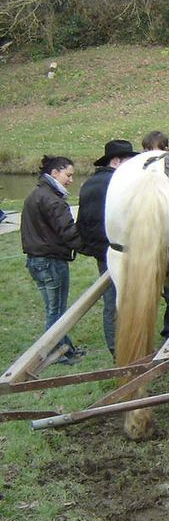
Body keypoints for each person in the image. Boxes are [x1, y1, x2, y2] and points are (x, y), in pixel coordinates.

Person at [21, 155, 85, 365]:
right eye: (68, 175)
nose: (70, 180)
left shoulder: (36, 194)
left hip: (36, 261)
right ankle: (56, 352)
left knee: (54, 308)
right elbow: (68, 232)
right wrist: (89, 248)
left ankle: (66, 348)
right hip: (51, 262)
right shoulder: (53, 200)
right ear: (55, 173)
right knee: (56, 312)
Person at [78, 140, 137, 355]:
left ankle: (116, 347)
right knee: (119, 300)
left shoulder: (89, 184)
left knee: (112, 299)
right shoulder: (117, 184)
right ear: (115, 161)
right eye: (128, 162)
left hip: (100, 251)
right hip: (118, 250)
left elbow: (83, 223)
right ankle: (121, 348)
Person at [140, 131, 169, 339]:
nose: (151, 154)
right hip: (145, 242)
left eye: (155, 149)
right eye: (147, 150)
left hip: (168, 241)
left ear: (166, 149)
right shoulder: (139, 172)